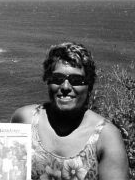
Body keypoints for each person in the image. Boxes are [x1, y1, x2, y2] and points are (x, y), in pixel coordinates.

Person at [11, 42, 129, 180]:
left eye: (76, 80)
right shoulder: (25, 119)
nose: (65, 86)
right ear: (47, 81)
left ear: (89, 86)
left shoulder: (106, 137)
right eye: (57, 78)